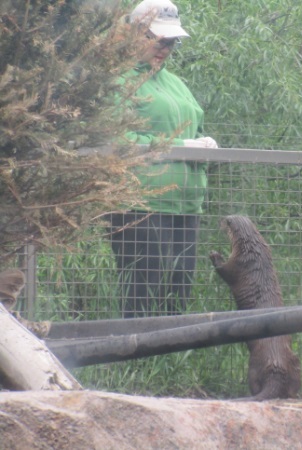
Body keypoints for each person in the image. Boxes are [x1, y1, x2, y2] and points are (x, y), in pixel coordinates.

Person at [109, 0, 217, 318]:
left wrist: (205, 145)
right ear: (135, 34)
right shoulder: (118, 81)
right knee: (142, 295)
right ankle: (134, 363)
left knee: (177, 296)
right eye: (158, 40)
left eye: (171, 42)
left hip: (186, 206)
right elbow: (119, 142)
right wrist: (182, 145)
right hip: (141, 207)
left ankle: (168, 365)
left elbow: (194, 130)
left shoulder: (177, 84)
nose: (165, 49)